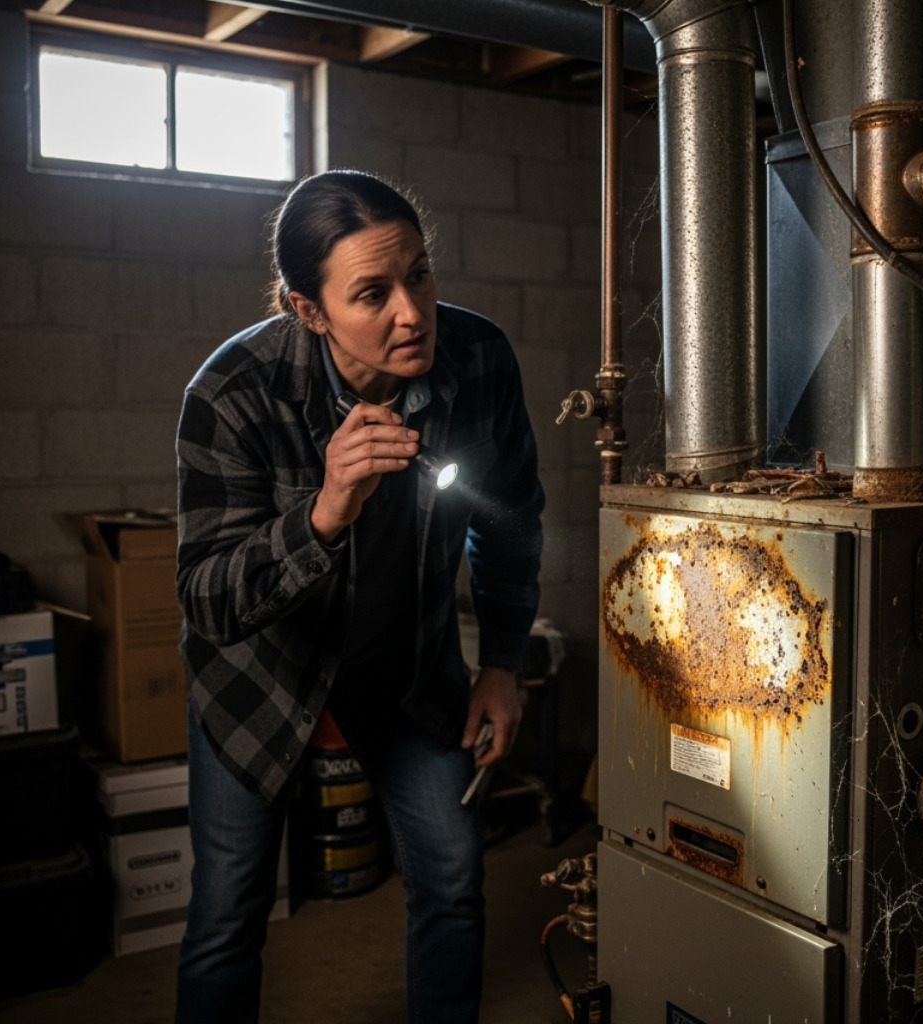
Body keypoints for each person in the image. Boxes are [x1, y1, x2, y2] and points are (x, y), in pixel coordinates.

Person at [172, 169, 545, 1024]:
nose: (411, 312)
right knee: (228, 915)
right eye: (372, 293)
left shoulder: (477, 359)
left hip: (403, 667)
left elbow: (513, 518)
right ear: (308, 309)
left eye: (419, 274)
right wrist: (325, 512)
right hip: (260, 678)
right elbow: (208, 601)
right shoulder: (231, 394)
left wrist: (502, 662)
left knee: (452, 880)